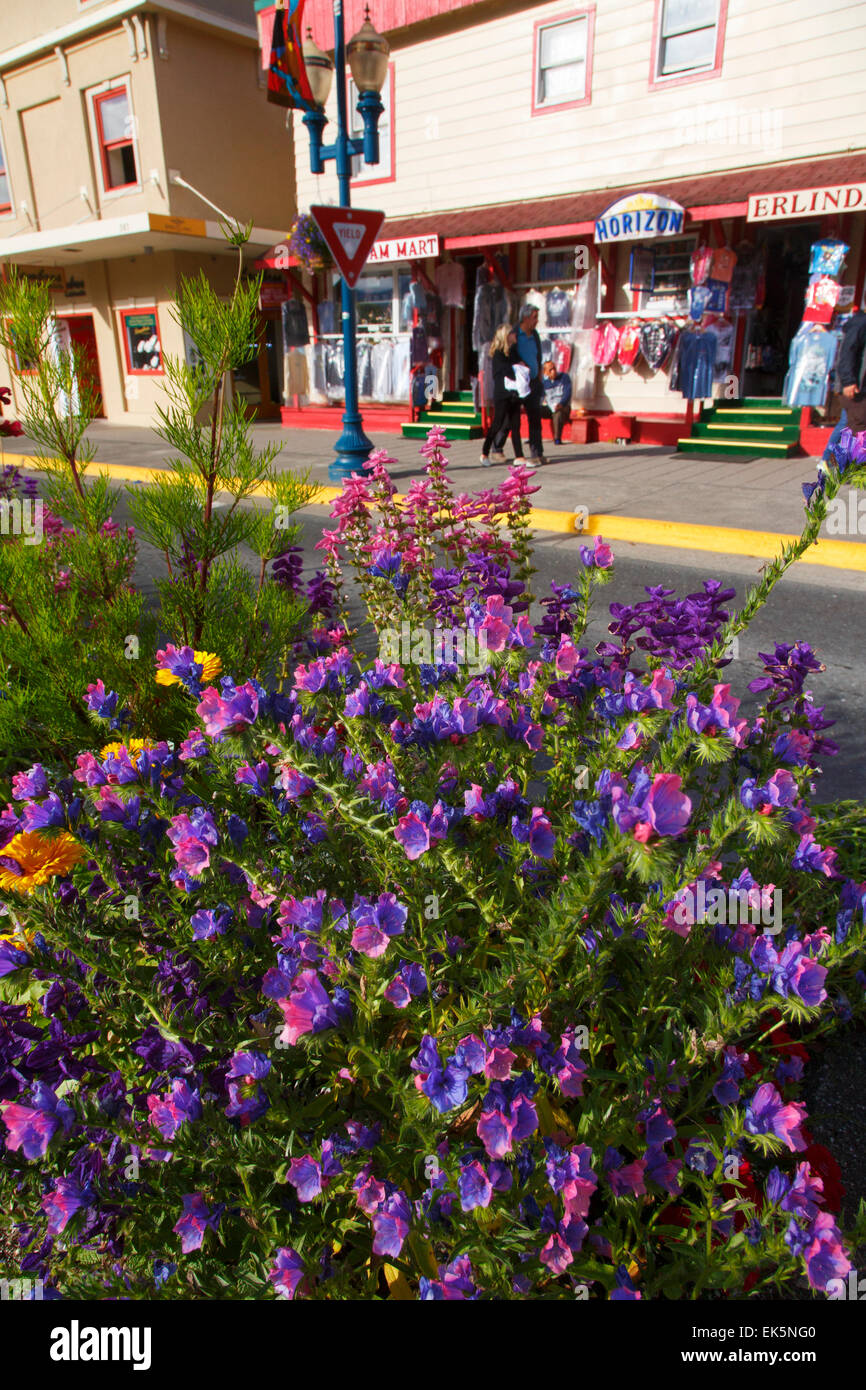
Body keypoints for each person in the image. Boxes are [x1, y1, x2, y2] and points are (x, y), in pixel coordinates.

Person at [824, 306, 866, 461]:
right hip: (856, 388)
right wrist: (848, 381)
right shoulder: (860, 322)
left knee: (851, 426)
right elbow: (848, 352)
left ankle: (834, 465)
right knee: (859, 428)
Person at [479, 324, 524, 466]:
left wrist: (519, 367)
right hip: (502, 394)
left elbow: (520, 367)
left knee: (515, 425)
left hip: (515, 394)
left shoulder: (514, 351)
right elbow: (508, 372)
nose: (516, 335)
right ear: (506, 336)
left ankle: (519, 456)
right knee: (497, 423)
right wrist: (517, 368)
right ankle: (485, 452)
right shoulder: (498, 353)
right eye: (513, 333)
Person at [516, 305, 546, 465]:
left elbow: (538, 355)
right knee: (511, 419)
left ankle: (537, 452)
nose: (536, 321)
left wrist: (540, 374)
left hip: (534, 381)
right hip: (519, 381)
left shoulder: (534, 335)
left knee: (535, 418)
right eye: (534, 317)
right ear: (526, 318)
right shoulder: (515, 333)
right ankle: (496, 449)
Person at [541, 359, 572, 445]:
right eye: (550, 370)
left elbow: (567, 393)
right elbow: (541, 396)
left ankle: (557, 438)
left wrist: (561, 404)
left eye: (554, 368)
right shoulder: (544, 382)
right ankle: (534, 437)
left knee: (558, 413)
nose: (553, 371)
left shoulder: (564, 377)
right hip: (550, 406)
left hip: (563, 406)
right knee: (536, 410)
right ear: (545, 372)